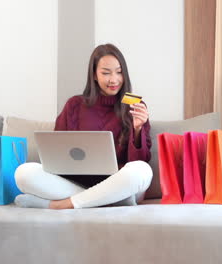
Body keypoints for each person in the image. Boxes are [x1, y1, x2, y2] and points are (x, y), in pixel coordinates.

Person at [14, 44, 152, 209]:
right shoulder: (75, 105)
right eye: (106, 73)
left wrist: (137, 129)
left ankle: (60, 205)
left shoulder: (135, 105)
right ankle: (109, 200)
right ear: (94, 75)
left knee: (141, 170)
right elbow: (56, 155)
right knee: (24, 173)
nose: (114, 79)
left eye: (119, 72)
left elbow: (139, 160)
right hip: (78, 182)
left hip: (119, 181)